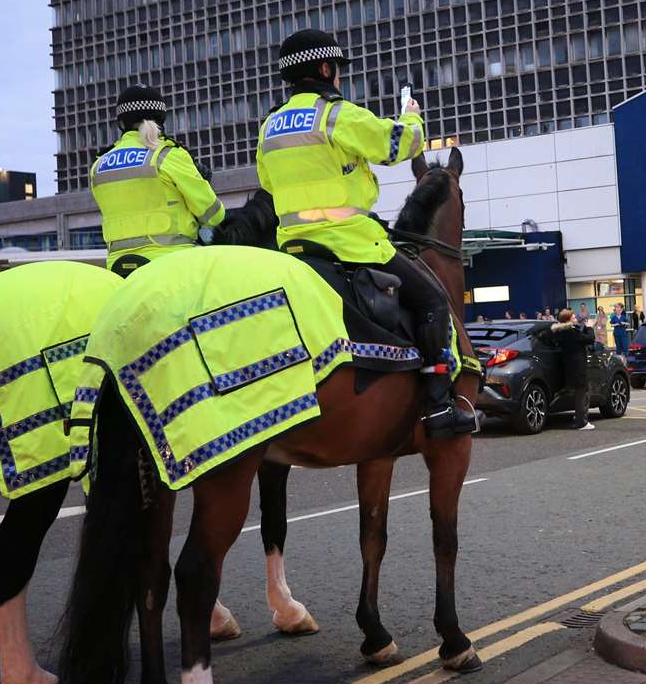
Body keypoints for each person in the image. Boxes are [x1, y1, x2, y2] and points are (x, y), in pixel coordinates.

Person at [256, 28, 474, 437]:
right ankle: (440, 407)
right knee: (431, 300)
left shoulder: (269, 128)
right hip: (350, 244)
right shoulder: (337, 114)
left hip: (293, 251)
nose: (338, 77)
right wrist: (412, 113)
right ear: (324, 68)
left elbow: (268, 184)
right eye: (336, 70)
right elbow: (400, 145)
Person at [90, 82, 226, 277]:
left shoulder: (99, 165)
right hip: (173, 268)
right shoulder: (167, 155)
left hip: (118, 270)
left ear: (121, 123)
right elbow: (214, 215)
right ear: (161, 118)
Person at [548, 309, 595, 430]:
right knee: (582, 393)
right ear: (568, 319)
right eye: (573, 315)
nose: (575, 317)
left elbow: (580, 338)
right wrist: (589, 327)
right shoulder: (571, 332)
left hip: (569, 366)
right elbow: (589, 339)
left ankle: (579, 416)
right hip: (578, 366)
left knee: (582, 391)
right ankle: (581, 422)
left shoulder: (560, 332)